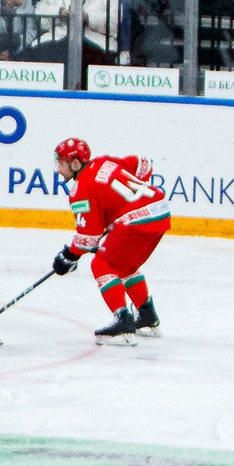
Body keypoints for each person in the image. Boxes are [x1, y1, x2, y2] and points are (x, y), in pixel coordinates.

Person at [48, 137, 172, 344]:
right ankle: (147, 314)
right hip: (160, 211)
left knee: (103, 264)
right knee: (123, 266)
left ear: (75, 163)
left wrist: (68, 256)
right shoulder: (106, 161)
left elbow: (88, 239)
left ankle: (123, 322)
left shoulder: (81, 190)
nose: (58, 169)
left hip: (135, 222)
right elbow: (143, 163)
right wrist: (133, 197)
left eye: (61, 163)